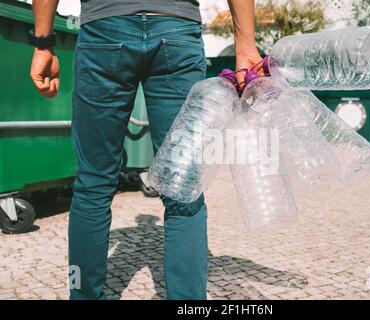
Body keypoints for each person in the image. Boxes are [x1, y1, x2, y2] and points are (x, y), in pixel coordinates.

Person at [30, 0, 262, 300]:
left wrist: (43, 44)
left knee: (94, 183)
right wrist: (244, 45)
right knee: (184, 187)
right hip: (175, 27)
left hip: (105, 28)